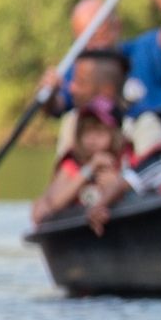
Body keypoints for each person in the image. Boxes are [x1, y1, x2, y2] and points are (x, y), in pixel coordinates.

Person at [32, 96, 131, 233]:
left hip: (116, 229)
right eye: (87, 131)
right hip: (75, 230)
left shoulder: (126, 161)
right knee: (41, 209)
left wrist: (115, 184)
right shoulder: (72, 165)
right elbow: (54, 202)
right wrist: (88, 169)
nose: (92, 138)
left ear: (114, 134)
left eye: (99, 132)